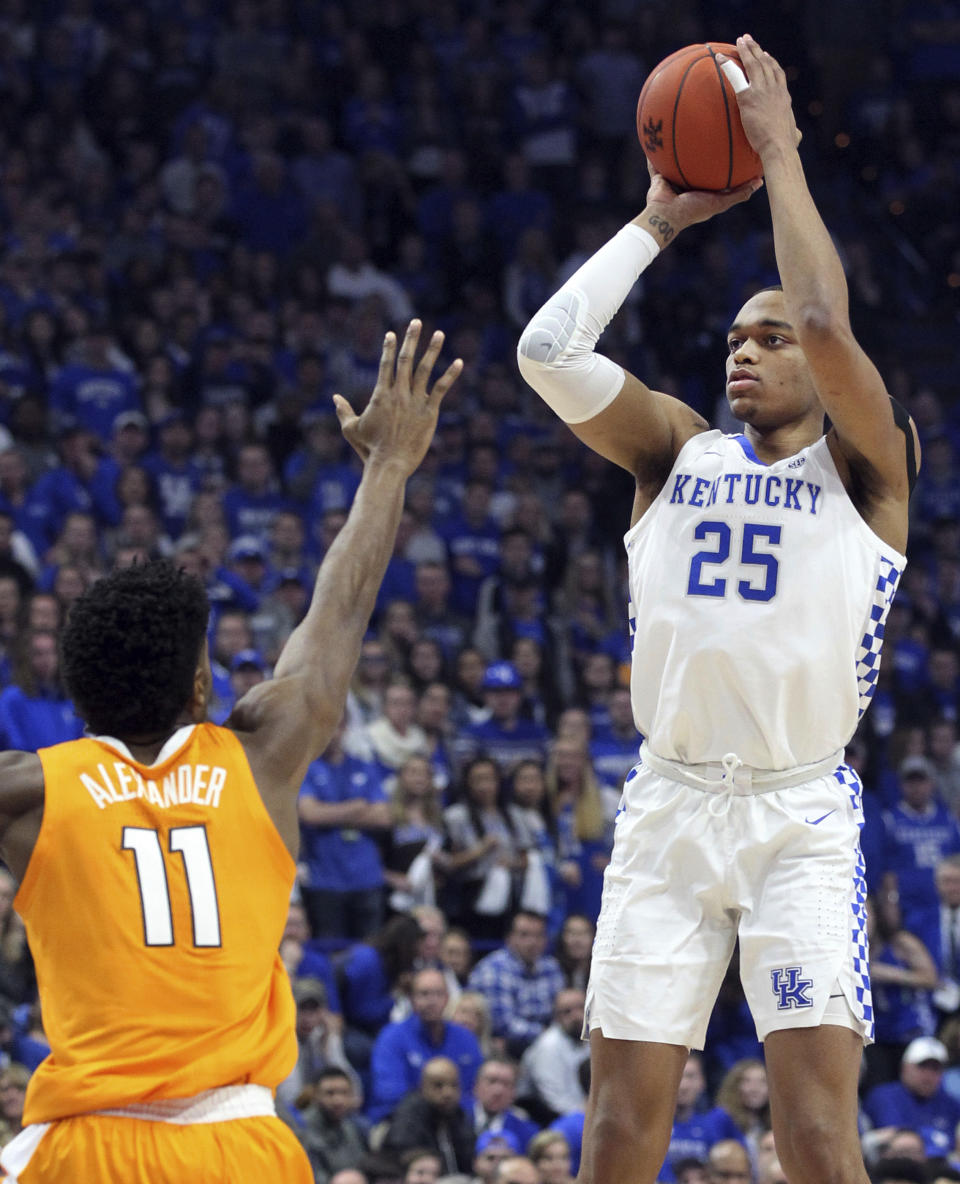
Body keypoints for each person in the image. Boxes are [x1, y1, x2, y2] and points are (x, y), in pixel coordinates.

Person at [516, 34, 919, 1184]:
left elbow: (832, 326)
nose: (746, 350)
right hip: (672, 805)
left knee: (816, 1137)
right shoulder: (675, 452)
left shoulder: (870, 472)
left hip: (800, 817)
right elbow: (545, 350)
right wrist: (658, 222)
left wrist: (781, 155)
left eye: (769, 336)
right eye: (735, 336)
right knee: (617, 1134)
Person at [0, 320, 462, 1183]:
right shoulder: (262, 758)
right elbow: (339, 612)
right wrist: (389, 465)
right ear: (201, 689)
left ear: (79, 695)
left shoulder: (29, 790)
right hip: (242, 1146)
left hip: (85, 1149)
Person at [367, 968, 483, 1122]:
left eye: (438, 994)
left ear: (448, 999)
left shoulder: (466, 1038)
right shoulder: (391, 1037)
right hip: (400, 1122)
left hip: (456, 1122)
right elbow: (389, 1094)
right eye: (424, 994)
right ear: (412, 1000)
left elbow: (475, 1091)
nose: (431, 1001)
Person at [466, 911, 565, 1058]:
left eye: (538, 935)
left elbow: (561, 1013)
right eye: (524, 935)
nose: (532, 942)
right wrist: (548, 1034)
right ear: (509, 938)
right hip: (504, 1050)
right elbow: (503, 1026)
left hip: (546, 1046)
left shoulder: (551, 968)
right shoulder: (494, 969)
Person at [863, 1036, 960, 1160]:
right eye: (922, 1066)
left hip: (939, 1169)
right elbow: (899, 1141)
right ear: (905, 1067)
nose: (929, 1075)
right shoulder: (883, 1097)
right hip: (893, 1168)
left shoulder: (951, 1105)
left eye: (936, 1068)